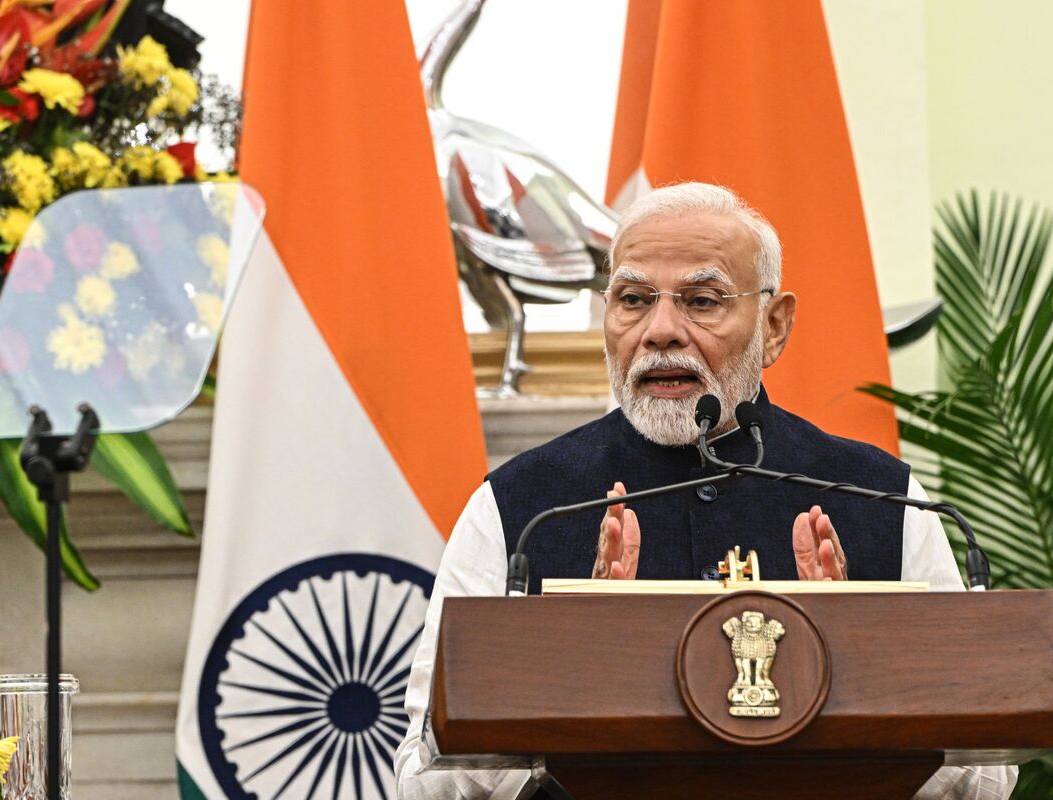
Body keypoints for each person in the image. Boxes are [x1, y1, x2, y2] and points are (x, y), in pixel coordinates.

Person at [394, 182, 1017, 799]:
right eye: (634, 298)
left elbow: (986, 781)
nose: (660, 329)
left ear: (774, 327)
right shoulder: (520, 508)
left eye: (703, 300)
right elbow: (421, 782)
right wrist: (571, 669)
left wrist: (862, 666)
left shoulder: (883, 498)